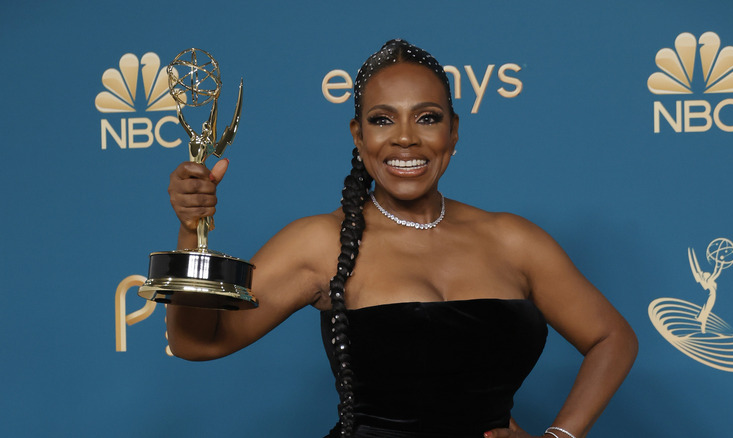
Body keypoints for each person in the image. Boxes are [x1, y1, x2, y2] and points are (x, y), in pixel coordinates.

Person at [166, 39, 638, 438]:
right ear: (358, 135)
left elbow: (612, 338)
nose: (405, 139)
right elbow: (198, 342)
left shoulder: (515, 240)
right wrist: (192, 230)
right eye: (383, 119)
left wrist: (559, 436)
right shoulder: (319, 242)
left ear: (454, 133)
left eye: (428, 118)